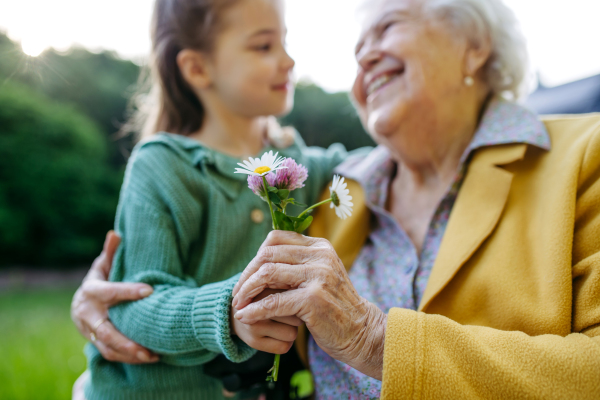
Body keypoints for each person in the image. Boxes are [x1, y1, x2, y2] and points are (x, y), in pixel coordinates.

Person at [74, 0, 600, 398]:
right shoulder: (338, 189)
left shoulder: (583, 157)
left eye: (388, 26)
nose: (365, 59)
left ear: (474, 44)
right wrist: (109, 303)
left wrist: (375, 340)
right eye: (355, 51)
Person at [73, 0, 354, 399]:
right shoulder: (164, 166)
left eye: (285, 43)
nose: (288, 60)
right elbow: (132, 305)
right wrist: (229, 313)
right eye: (263, 46)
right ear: (197, 68)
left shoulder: (299, 165)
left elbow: (368, 166)